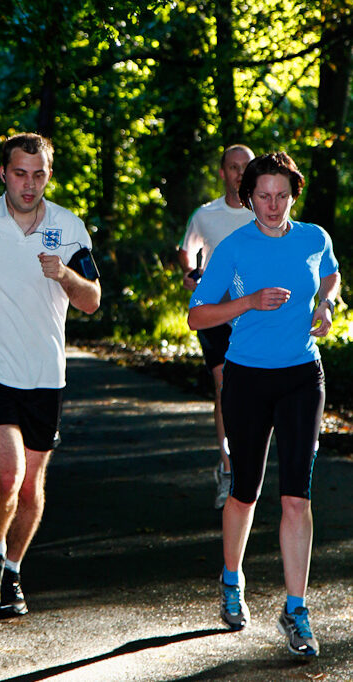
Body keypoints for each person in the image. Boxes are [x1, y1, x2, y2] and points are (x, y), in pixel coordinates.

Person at [0, 133, 101, 616]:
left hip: (45, 373)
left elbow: (92, 300)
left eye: (39, 174)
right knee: (8, 475)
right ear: (4, 174)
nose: (29, 185)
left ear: (49, 175)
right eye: (20, 173)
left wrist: (65, 276)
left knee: (31, 487)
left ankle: (12, 569)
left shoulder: (70, 228)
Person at [188, 152, 340, 657]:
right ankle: (232, 578)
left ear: (293, 194)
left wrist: (326, 304)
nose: (272, 205)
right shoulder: (233, 247)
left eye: (281, 195)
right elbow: (197, 317)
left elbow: (330, 277)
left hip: (302, 375)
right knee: (246, 491)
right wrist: (248, 302)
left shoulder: (314, 238)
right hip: (247, 378)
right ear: (248, 196)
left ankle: (296, 610)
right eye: (263, 196)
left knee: (297, 495)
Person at [179, 144, 255, 509]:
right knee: (225, 384)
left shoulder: (267, 211)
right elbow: (186, 248)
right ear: (222, 172)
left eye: (246, 167)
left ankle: (247, 463)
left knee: (253, 390)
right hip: (215, 312)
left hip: (256, 316)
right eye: (233, 167)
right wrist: (190, 274)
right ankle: (228, 470)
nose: (240, 173)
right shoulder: (206, 214)